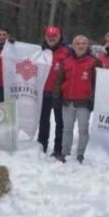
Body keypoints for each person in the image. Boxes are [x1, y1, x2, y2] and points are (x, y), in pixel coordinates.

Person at [53, 35, 99, 163]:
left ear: (87, 46)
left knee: (83, 130)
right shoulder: (66, 61)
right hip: (67, 102)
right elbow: (59, 80)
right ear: (73, 46)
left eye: (84, 43)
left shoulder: (93, 62)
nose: (80, 45)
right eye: (77, 43)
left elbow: (98, 83)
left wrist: (94, 99)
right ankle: (65, 152)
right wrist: (56, 96)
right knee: (67, 129)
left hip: (84, 103)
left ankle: (80, 154)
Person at [39, 25, 71, 156]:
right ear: (45, 37)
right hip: (43, 92)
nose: (51, 39)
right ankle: (42, 145)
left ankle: (58, 148)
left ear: (60, 37)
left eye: (54, 36)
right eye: (49, 36)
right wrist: (12, 45)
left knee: (60, 122)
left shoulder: (67, 52)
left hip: (59, 93)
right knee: (43, 121)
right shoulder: (39, 50)